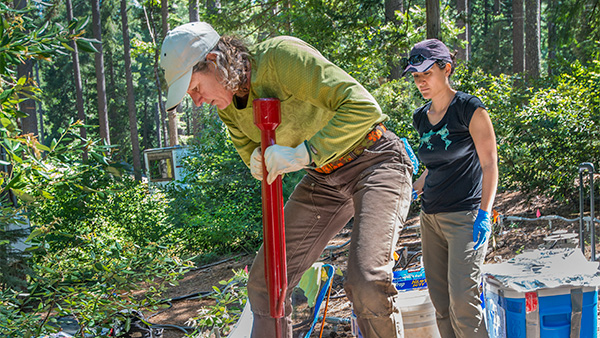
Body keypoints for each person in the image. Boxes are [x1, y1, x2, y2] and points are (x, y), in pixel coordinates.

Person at [160, 22, 413, 337]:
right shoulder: (227, 107)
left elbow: (362, 108)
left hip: (375, 159)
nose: (196, 101)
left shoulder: (280, 58)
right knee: (266, 284)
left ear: (214, 62)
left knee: (366, 282)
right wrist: (258, 159)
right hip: (323, 178)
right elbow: (254, 152)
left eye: (195, 88)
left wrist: (305, 152)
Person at [404, 39, 497, 338]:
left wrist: (485, 213)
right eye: (416, 77)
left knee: (463, 302)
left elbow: (489, 165)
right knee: (441, 304)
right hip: (430, 218)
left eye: (426, 74)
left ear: (446, 68)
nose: (420, 82)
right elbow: (433, 167)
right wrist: (409, 188)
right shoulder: (420, 117)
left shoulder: (469, 109)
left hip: (465, 218)